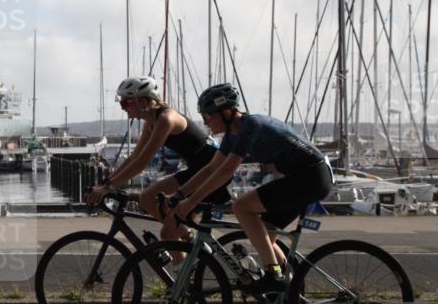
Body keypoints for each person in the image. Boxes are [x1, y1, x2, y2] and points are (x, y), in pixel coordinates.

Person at [170, 83, 333, 292]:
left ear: (226, 112)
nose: (205, 121)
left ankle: (274, 274)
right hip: (304, 177)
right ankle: (289, 292)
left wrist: (191, 202)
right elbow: (211, 168)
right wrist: (179, 194)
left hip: (311, 177)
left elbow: (226, 170)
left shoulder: (250, 126)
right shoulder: (233, 134)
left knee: (241, 207)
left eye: (208, 115)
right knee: (263, 236)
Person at [84, 76, 231, 248]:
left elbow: (142, 162)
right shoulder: (151, 122)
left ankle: (192, 242)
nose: (123, 108)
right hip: (197, 169)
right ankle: (189, 254)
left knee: (147, 198)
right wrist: (104, 184)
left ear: (143, 102)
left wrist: (108, 187)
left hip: (211, 171)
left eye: (126, 103)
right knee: (168, 234)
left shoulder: (166, 119)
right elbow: (133, 157)